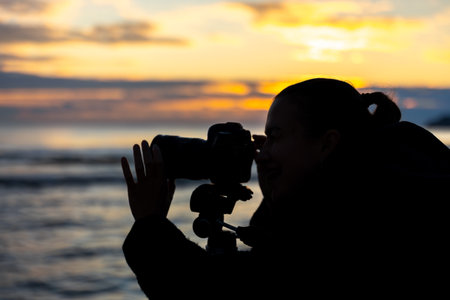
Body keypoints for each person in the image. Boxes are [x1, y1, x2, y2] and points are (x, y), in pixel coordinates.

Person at [121, 78, 450, 299]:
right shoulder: (391, 190)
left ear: (326, 144)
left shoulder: (360, 224)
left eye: (275, 137)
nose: (260, 153)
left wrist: (150, 223)